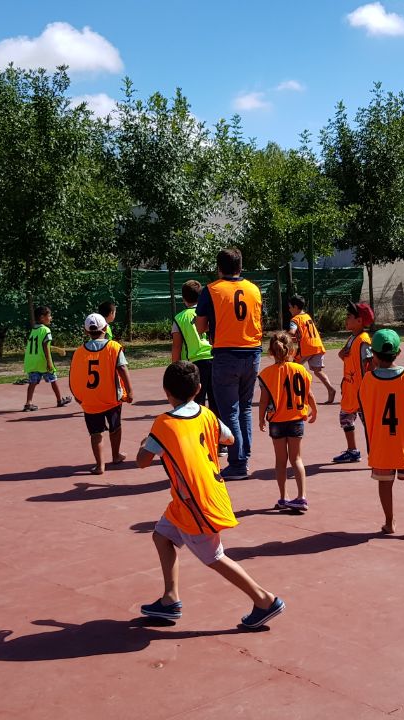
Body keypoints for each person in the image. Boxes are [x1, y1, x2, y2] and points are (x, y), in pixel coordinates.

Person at [136, 361, 286, 629]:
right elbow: (229, 439)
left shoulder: (164, 423)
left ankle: (264, 599)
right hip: (193, 497)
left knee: (215, 557)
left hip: (195, 503)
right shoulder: (206, 414)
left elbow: (142, 461)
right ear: (198, 389)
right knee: (161, 536)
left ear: (166, 391)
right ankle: (170, 599)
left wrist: (145, 444)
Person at [195, 248, 263, 481]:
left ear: (219, 268)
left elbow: (200, 328)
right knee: (245, 408)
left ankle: (238, 462)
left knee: (229, 411)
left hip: (226, 354)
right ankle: (243, 457)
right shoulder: (254, 289)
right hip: (252, 352)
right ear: (240, 267)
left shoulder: (212, 290)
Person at [357, 328, 404, 535]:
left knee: (384, 482)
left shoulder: (368, 380)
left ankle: (389, 521)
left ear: (374, 354)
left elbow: (365, 407)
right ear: (398, 352)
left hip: (381, 440)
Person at [257, 332, 317, 511]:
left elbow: (263, 400)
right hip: (296, 419)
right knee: (296, 458)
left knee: (280, 461)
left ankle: (283, 497)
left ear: (271, 352)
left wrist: (261, 419)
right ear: (292, 350)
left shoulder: (267, 374)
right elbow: (309, 394)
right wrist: (314, 409)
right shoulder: (300, 370)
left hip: (277, 421)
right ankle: (302, 496)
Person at [70, 313, 135, 475]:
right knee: (115, 427)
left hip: (90, 400)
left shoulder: (79, 352)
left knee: (95, 433)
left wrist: (78, 396)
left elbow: (74, 376)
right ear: (105, 328)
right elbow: (122, 368)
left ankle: (100, 465)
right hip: (111, 398)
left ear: (86, 331)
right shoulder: (114, 347)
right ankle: (115, 455)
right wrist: (130, 390)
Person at [332, 302, 374, 464]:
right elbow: (349, 358)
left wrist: (368, 387)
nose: (346, 319)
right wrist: (341, 354)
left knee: (368, 425)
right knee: (345, 418)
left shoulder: (364, 341)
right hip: (350, 389)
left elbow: (369, 364)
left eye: (349, 316)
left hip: (361, 392)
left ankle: (375, 453)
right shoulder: (352, 338)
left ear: (359, 320)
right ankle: (352, 451)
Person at [170, 280, 217, 415]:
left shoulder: (180, 318)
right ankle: (216, 425)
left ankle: (198, 425)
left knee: (196, 403)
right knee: (216, 402)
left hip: (195, 364)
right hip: (214, 358)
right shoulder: (209, 312)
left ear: (183, 298)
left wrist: (175, 370)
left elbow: (176, 347)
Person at [288, 295, 337, 405]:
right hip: (317, 345)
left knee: (292, 368)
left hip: (307, 347)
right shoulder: (307, 316)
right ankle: (330, 389)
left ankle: (295, 393)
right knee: (317, 370)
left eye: (290, 307)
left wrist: (284, 337)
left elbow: (292, 332)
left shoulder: (295, 320)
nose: (289, 309)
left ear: (295, 307)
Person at [22, 306, 70, 412]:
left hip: (32, 361)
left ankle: (28, 403)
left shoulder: (34, 330)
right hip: (42, 360)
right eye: (49, 316)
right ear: (42, 317)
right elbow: (45, 347)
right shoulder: (46, 330)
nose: (51, 318)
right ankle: (59, 400)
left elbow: (39, 345)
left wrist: (56, 349)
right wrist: (49, 362)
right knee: (53, 379)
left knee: (32, 382)